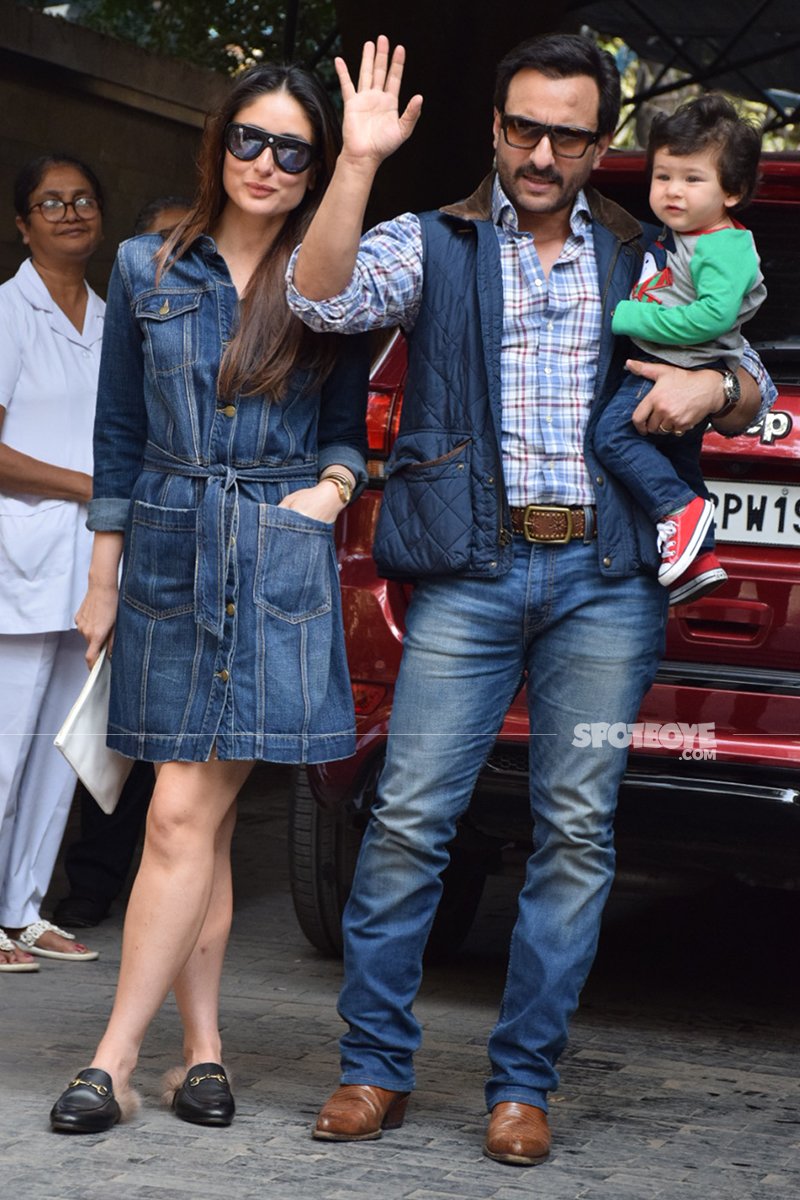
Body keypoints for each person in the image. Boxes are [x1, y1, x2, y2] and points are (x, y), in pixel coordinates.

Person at [286, 34, 775, 1164]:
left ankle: (521, 1087)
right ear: (494, 129)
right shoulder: (433, 242)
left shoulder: (646, 257)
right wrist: (356, 162)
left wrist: (719, 381)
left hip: (606, 583)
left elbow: (745, 378)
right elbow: (319, 301)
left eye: (567, 131)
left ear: (599, 143)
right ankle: (372, 1070)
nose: (541, 151)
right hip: (469, 573)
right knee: (409, 821)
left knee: (573, 833)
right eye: (522, 127)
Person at [49, 63, 369, 1132]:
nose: (266, 165)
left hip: (274, 562)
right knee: (206, 828)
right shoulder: (145, 268)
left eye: (292, 150)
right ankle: (204, 1052)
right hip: (169, 563)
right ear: (216, 143)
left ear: (317, 168)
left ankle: (113, 1060)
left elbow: (348, 432)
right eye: (249, 140)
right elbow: (120, 438)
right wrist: (102, 577)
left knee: (181, 811)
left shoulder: (329, 284)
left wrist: (328, 492)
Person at [54, 197, 192, 932]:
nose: (169, 256)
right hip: (121, 539)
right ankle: (93, 881)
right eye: (158, 243)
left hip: (192, 542)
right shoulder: (126, 328)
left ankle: (155, 884)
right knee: (116, 728)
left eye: (183, 241)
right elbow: (115, 437)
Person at [595, 93, 765, 604]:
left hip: (678, 366)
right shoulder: (682, 235)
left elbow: (712, 316)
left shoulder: (722, 244)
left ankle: (679, 512)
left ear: (732, 191)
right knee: (681, 461)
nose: (673, 191)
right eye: (663, 176)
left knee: (612, 437)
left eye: (693, 179)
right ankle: (700, 555)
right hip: (676, 364)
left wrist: (628, 315)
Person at [0, 154, 106, 973]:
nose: (69, 212)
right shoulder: (7, 314)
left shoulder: (111, 320)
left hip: (91, 570)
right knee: (5, 744)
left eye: (82, 200)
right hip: (21, 558)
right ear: (23, 223)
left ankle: (24, 911)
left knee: (61, 748)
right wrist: (89, 486)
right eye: (50, 202)